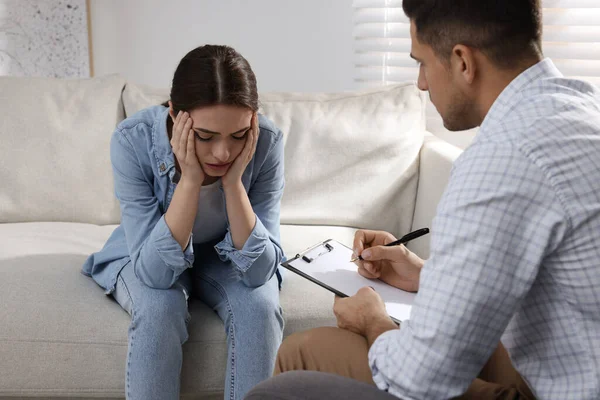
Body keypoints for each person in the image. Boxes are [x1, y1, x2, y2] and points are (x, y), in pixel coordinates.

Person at [245, 0, 600, 399]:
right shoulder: (581, 109)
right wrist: (422, 275)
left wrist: (372, 319)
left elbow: (422, 377)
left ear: (463, 61)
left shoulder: (502, 161)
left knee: (285, 381)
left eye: (423, 62)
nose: (421, 83)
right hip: (569, 362)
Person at [82, 44, 286, 400]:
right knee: (160, 306)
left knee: (261, 307)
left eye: (238, 135)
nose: (223, 153)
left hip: (223, 255)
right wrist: (190, 180)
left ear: (252, 120)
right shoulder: (132, 141)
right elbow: (155, 274)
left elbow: (259, 273)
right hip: (148, 254)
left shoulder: (267, 142)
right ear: (176, 114)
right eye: (205, 136)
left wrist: (234, 183)